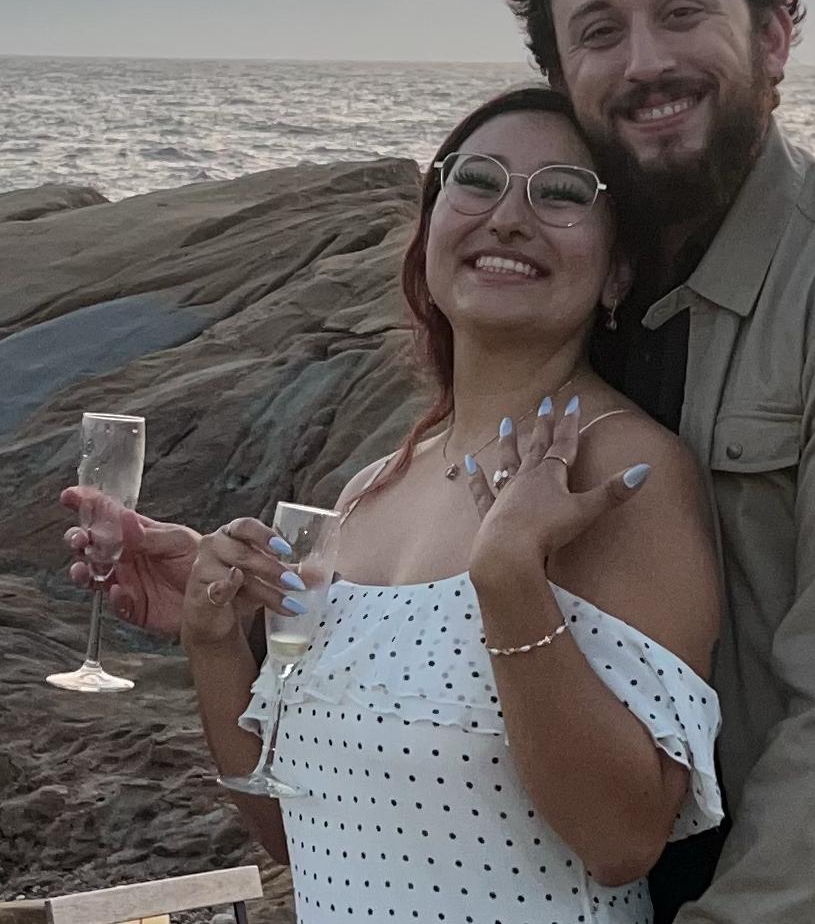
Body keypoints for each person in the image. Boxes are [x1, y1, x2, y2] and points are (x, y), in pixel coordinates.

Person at [67, 0, 815, 924]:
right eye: (599, 31)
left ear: (773, 35)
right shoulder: (455, 431)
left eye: (681, 12)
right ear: (564, 76)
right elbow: (327, 809)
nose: (644, 60)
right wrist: (220, 631)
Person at [74, 86, 724, 923]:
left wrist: (509, 579)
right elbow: (299, 829)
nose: (508, 218)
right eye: (476, 180)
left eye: (561, 192)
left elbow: (620, 839)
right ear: (427, 235)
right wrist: (212, 640)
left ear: (618, 271)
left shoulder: (624, 474)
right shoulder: (369, 488)